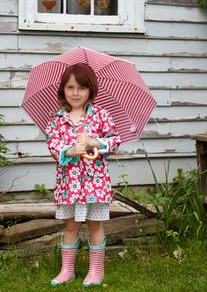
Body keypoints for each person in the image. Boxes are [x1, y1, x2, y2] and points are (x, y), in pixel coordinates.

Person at [45, 63, 121, 286]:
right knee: (70, 225)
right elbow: (53, 146)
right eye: (70, 87)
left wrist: (94, 142)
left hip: (94, 183)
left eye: (81, 88)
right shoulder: (57, 119)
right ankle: (67, 270)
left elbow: (115, 141)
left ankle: (96, 272)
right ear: (63, 90)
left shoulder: (100, 115)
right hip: (69, 184)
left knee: (95, 225)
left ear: (90, 90)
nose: (75, 93)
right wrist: (69, 150)